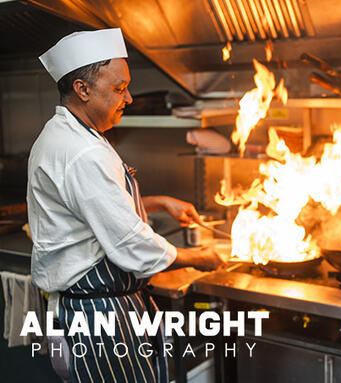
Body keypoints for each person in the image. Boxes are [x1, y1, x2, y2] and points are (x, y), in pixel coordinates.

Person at [28, 28, 224, 383]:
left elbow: (91, 207)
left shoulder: (66, 134)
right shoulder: (82, 152)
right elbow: (129, 242)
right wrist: (199, 259)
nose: (130, 98)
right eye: (119, 89)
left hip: (96, 307)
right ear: (82, 90)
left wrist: (160, 203)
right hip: (101, 313)